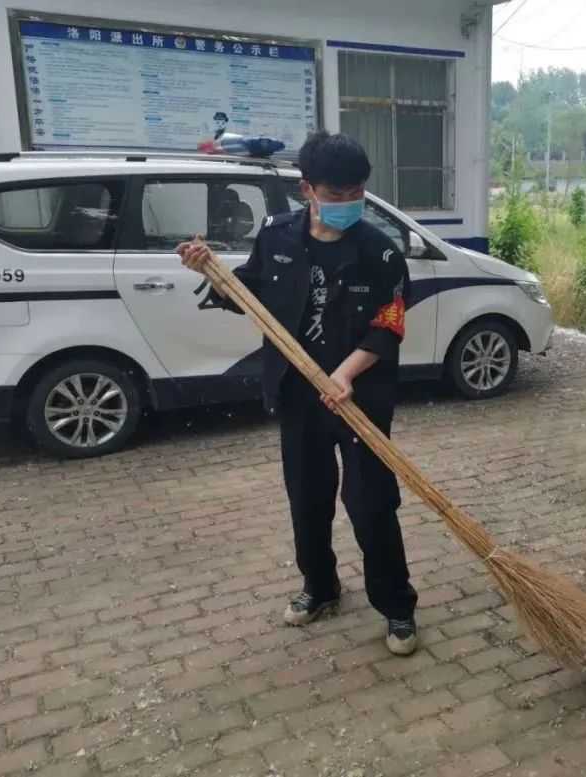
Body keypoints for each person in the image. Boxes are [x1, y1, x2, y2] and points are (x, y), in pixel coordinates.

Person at [177, 131, 419, 656]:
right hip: (298, 392)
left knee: (371, 504)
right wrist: (211, 272)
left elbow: (389, 323)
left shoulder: (380, 251)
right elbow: (248, 293)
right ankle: (320, 587)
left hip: (360, 395)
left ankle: (397, 606)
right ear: (307, 188)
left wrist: (347, 374)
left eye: (357, 192)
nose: (349, 202)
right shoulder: (277, 236)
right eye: (336, 194)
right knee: (308, 499)